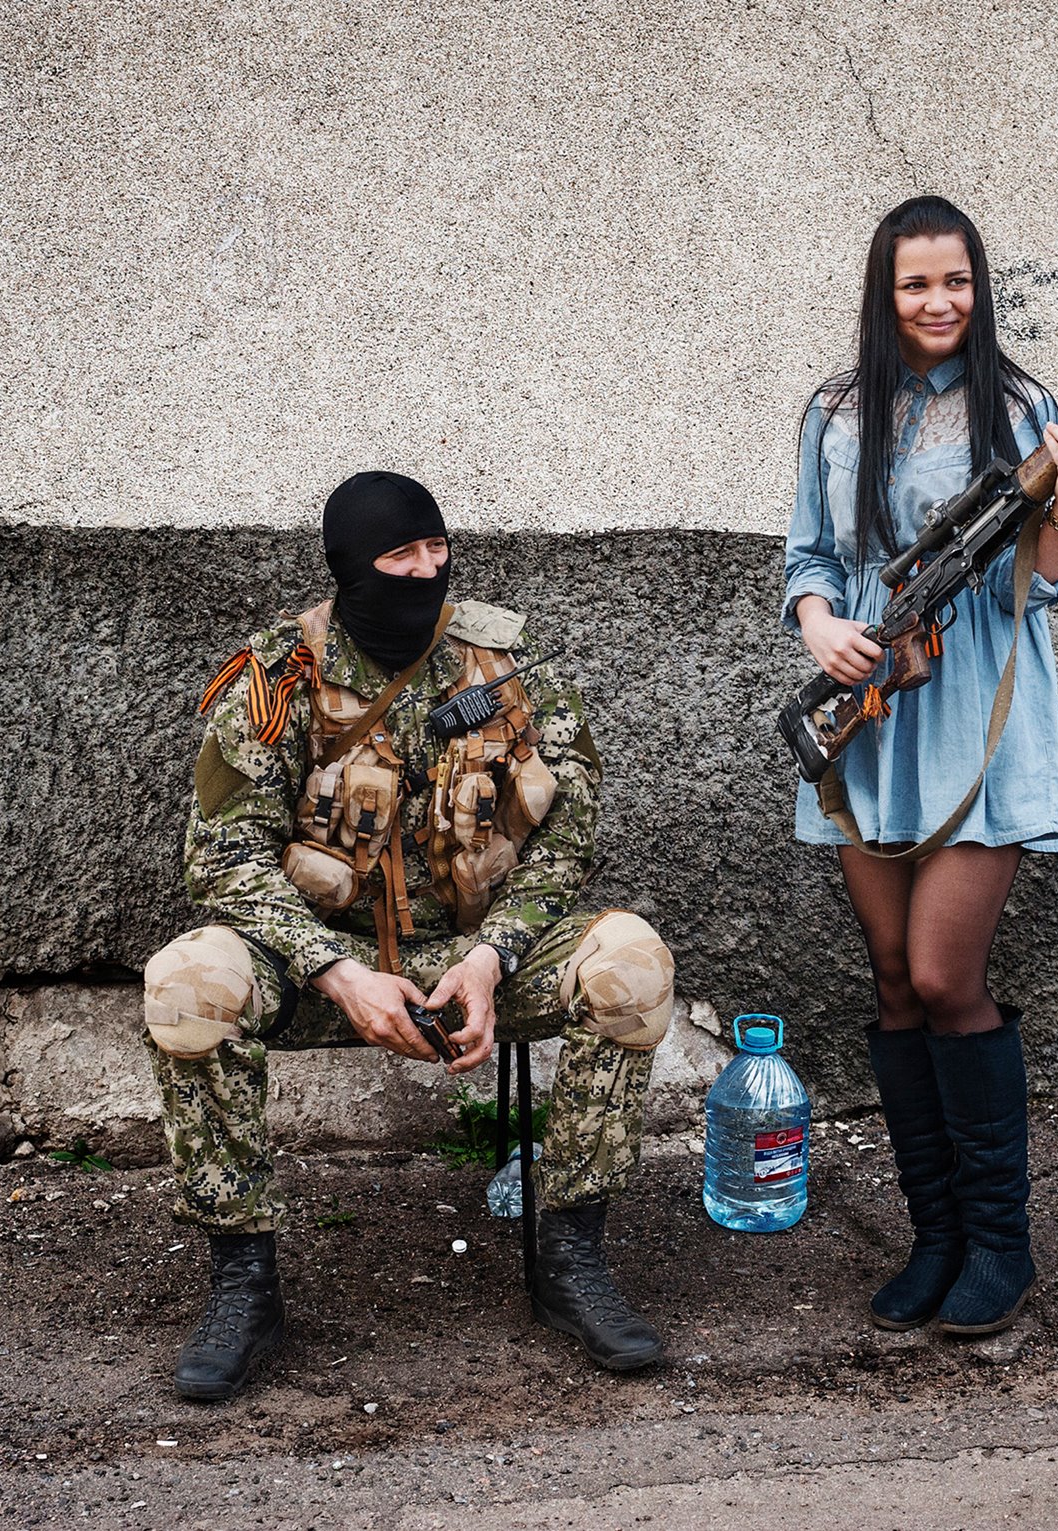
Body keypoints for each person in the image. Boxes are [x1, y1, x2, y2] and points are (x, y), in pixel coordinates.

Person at [145, 470, 674, 1400]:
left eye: (436, 548)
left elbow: (569, 831)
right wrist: (336, 970)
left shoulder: (506, 662)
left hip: (479, 957)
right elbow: (221, 857)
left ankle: (574, 1256)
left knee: (630, 963)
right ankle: (243, 1281)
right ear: (351, 568)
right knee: (186, 981)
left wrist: (491, 953)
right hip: (317, 962)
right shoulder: (277, 677)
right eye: (400, 555)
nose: (426, 569)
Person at [782, 197, 1058, 1337]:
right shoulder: (837, 413)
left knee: (943, 977)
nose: (941, 304)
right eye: (916, 286)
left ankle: (1002, 1244)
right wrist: (818, 626)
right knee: (890, 981)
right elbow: (810, 556)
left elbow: (1050, 584)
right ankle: (936, 1239)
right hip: (876, 708)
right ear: (884, 297)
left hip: (983, 715)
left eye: (960, 283)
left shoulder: (1030, 410)